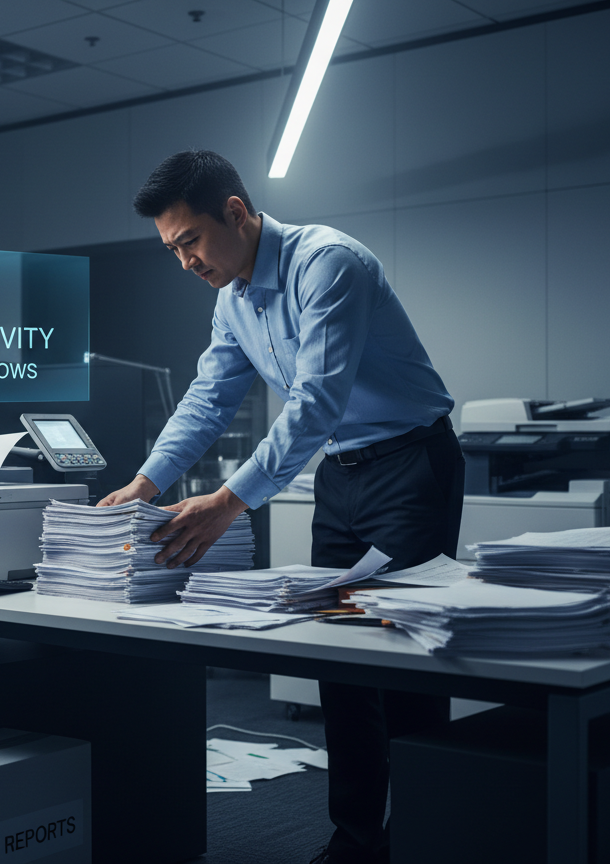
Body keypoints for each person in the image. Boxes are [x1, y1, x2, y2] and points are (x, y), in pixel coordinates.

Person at [98, 150, 465, 864]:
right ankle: (355, 841)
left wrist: (227, 503)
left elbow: (314, 402)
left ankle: (424, 836)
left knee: (405, 656)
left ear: (234, 212)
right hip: (341, 475)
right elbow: (207, 401)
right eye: (172, 250)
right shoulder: (232, 299)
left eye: (190, 241)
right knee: (339, 657)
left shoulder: (329, 264)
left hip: (411, 464)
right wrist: (146, 483)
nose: (185, 262)